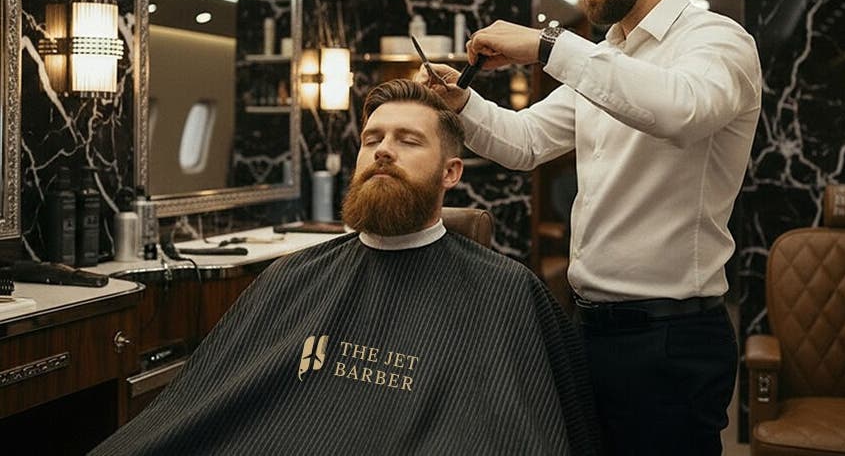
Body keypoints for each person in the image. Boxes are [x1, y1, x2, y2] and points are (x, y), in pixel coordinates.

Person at [418, 0, 762, 456]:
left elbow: (681, 110)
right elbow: (525, 142)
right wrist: (463, 101)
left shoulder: (718, 41)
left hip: (670, 338)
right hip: (588, 327)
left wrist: (549, 45)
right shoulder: (607, 56)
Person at [90, 79, 599, 455]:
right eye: (372, 139)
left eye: (408, 140)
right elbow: (202, 409)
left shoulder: (505, 291)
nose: (383, 151)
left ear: (451, 172)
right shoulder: (294, 275)